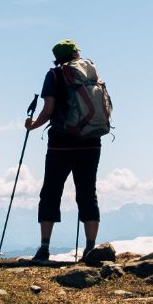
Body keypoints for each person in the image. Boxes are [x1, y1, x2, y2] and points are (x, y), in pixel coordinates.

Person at [24, 38, 106, 264]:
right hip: (91, 141)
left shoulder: (54, 75)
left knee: (51, 192)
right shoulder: (91, 73)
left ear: (57, 58)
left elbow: (48, 109)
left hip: (61, 143)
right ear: (76, 53)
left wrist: (32, 125)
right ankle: (90, 248)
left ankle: (44, 248)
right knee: (87, 192)